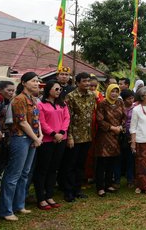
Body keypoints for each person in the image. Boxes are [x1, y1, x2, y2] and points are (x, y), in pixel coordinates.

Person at [0, 72, 42, 221]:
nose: (36, 83)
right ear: (24, 82)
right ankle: (5, 209)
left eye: (37, 81)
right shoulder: (19, 100)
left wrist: (39, 136)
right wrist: (36, 138)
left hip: (32, 139)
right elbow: (22, 122)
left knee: (25, 173)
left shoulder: (33, 99)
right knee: (13, 174)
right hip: (20, 138)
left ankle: (19, 204)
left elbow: (37, 119)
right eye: (33, 81)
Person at [34, 80, 70, 210]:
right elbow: (41, 122)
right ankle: (41, 197)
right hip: (47, 140)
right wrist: (53, 133)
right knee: (43, 168)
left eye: (60, 89)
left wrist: (61, 133)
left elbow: (67, 118)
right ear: (48, 89)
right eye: (56, 89)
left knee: (54, 168)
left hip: (61, 139)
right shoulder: (41, 105)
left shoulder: (63, 104)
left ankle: (49, 195)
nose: (58, 91)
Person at [61, 72, 95, 202]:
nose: (87, 84)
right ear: (78, 82)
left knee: (81, 164)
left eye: (88, 81)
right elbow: (67, 118)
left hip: (86, 135)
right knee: (70, 164)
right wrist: (69, 136)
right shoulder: (70, 97)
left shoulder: (92, 95)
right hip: (73, 137)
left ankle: (77, 189)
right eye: (84, 81)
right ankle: (68, 191)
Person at [94, 84, 125, 197]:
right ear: (108, 92)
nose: (114, 94)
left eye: (117, 92)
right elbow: (99, 120)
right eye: (112, 91)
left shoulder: (120, 102)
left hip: (116, 137)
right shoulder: (102, 104)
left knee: (112, 161)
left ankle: (108, 185)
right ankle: (100, 187)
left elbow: (124, 117)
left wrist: (120, 127)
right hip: (104, 136)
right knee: (102, 162)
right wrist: (112, 128)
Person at [0, 80, 15, 188]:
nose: (11, 93)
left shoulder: (5, 100)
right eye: (9, 90)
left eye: (13, 91)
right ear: (0, 90)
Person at [117, 89, 136, 188]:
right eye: (129, 98)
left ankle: (130, 180)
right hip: (120, 136)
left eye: (132, 98)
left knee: (130, 159)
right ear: (124, 99)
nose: (131, 100)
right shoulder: (119, 108)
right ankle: (116, 180)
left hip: (131, 136)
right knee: (119, 158)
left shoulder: (136, 108)